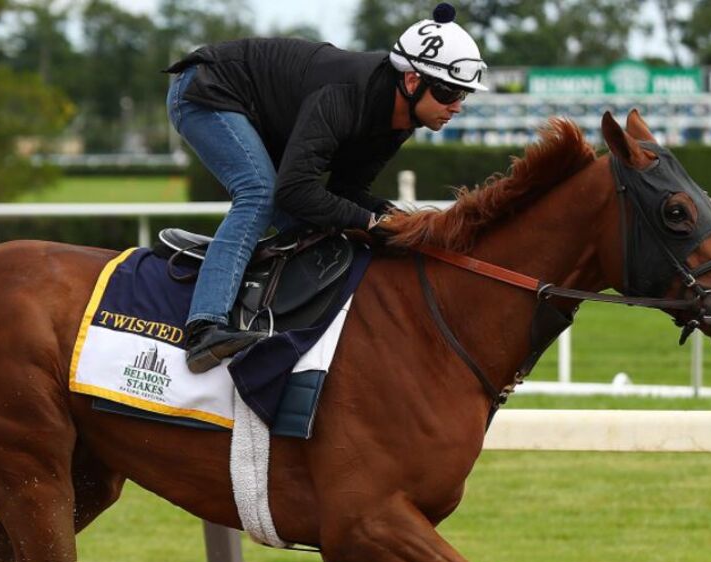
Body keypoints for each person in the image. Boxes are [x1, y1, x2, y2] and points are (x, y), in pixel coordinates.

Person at [165, 3, 486, 372]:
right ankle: (204, 328)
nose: (457, 106)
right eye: (449, 92)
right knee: (260, 194)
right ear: (413, 81)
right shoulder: (343, 95)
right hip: (209, 88)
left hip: (257, 112)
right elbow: (294, 190)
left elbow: (346, 193)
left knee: (317, 230)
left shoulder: (399, 124)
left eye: (465, 94)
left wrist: (403, 224)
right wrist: (371, 222)